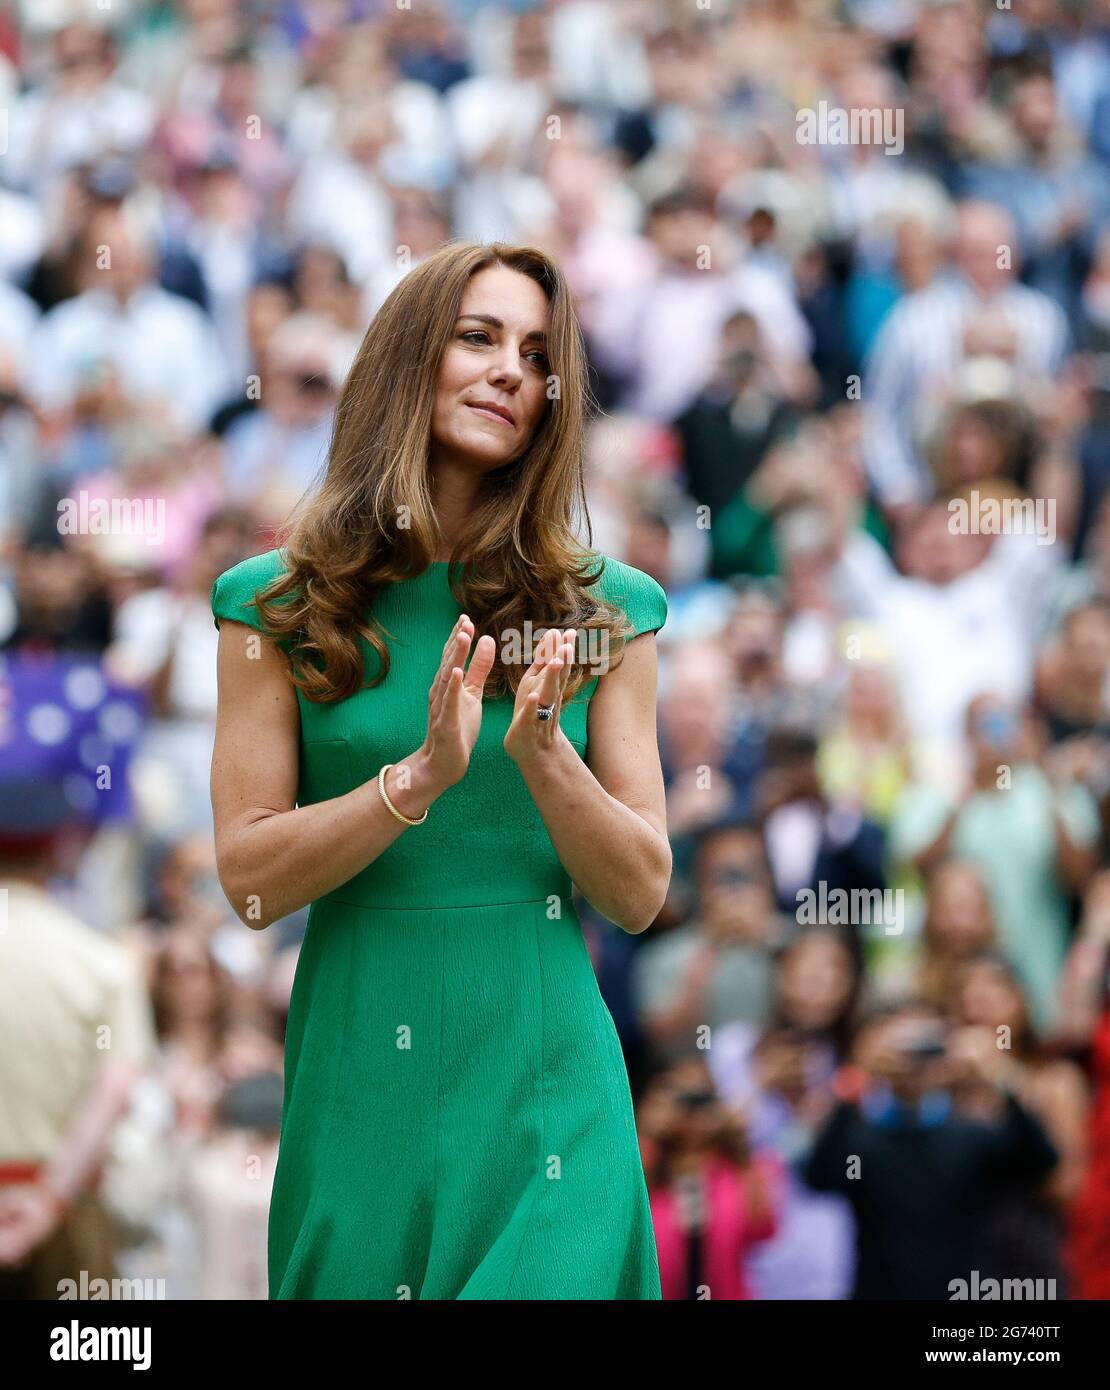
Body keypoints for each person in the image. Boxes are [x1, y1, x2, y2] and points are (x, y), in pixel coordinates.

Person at [209, 241, 671, 1300]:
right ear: (407, 358)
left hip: (549, 1089)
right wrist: (412, 782)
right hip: (361, 1078)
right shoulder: (269, 603)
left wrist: (546, 756)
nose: (514, 368)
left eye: (539, 354)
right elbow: (247, 880)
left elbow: (641, 890)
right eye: (479, 336)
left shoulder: (611, 611)